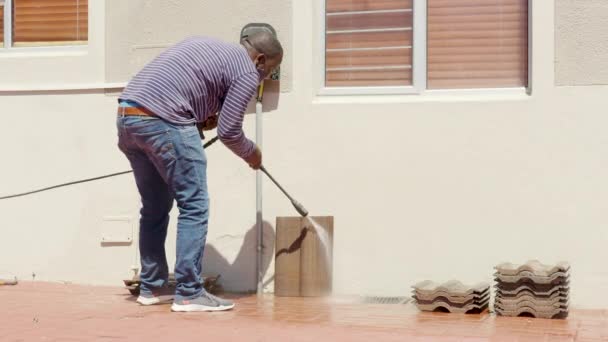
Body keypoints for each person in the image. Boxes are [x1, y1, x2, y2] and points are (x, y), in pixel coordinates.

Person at [115, 32, 283, 312]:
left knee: (155, 207)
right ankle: (190, 293)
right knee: (194, 204)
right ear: (260, 59)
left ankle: (152, 286)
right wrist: (252, 153)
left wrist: (201, 118)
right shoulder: (246, 70)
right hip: (164, 119)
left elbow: (184, 90)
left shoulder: (208, 46)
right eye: (269, 71)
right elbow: (230, 132)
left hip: (128, 117)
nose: (264, 78)